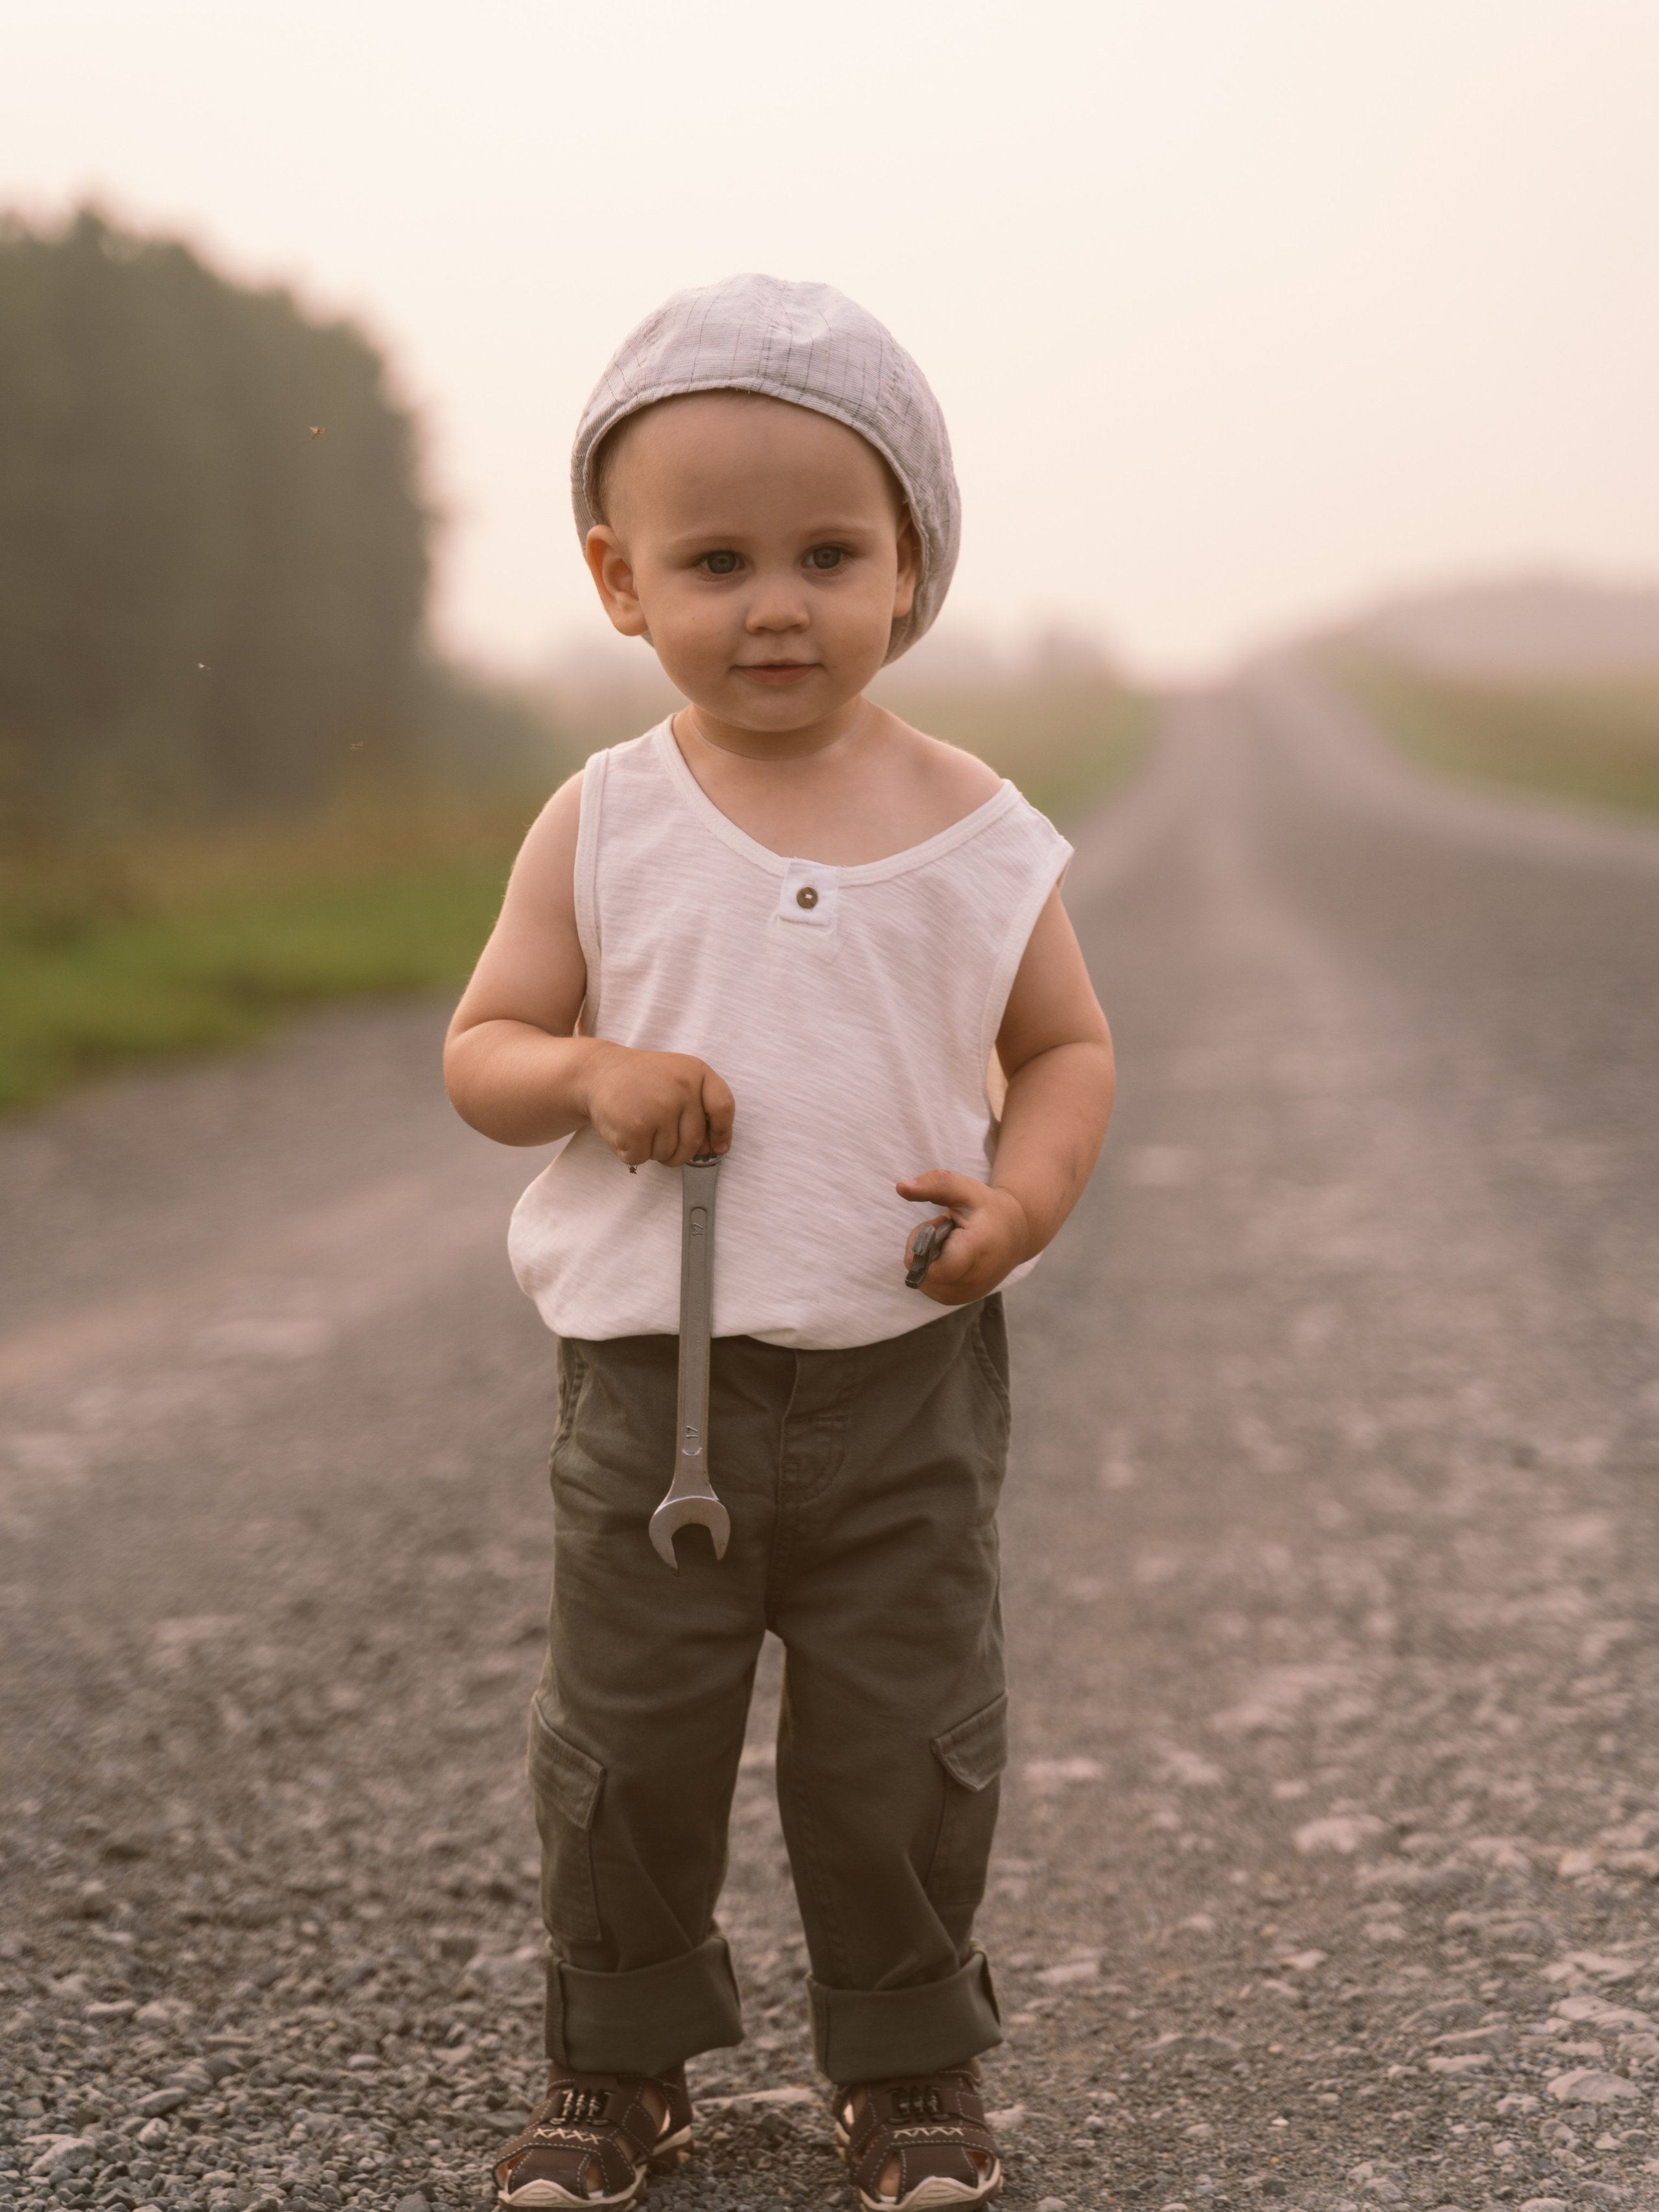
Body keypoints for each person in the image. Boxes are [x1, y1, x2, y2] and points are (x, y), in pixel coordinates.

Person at [443, 274, 1115, 2212]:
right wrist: (588, 1073)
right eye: (715, 560)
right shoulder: (606, 820)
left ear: (912, 566)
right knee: (628, 1742)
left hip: (901, 1382)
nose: (776, 605)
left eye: (830, 553)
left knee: (900, 1744)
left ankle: (907, 2068)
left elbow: (1064, 1048)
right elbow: (483, 1054)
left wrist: (1023, 1203)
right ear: (618, 581)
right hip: (652, 1391)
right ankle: (619, 2063)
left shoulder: (982, 833)